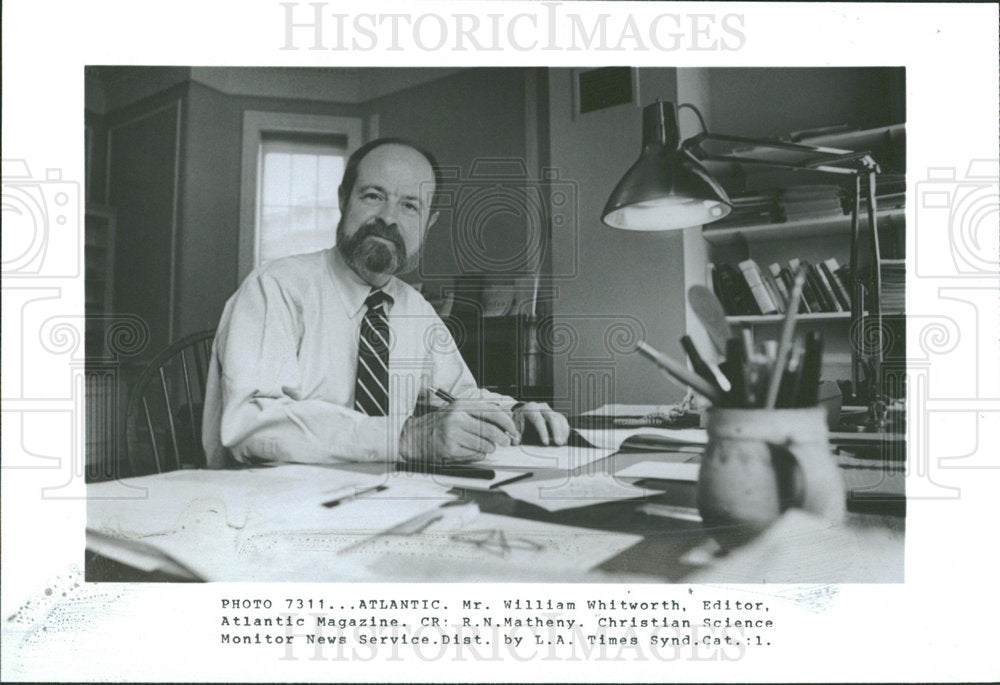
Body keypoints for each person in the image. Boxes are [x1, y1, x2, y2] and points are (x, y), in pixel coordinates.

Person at [203, 138, 570, 468]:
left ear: (429, 223)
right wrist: (405, 437)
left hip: (383, 500)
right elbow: (250, 424)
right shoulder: (277, 288)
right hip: (273, 508)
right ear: (343, 200)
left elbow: (459, 394)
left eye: (410, 206)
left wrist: (514, 414)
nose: (388, 218)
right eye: (373, 196)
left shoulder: (414, 308)